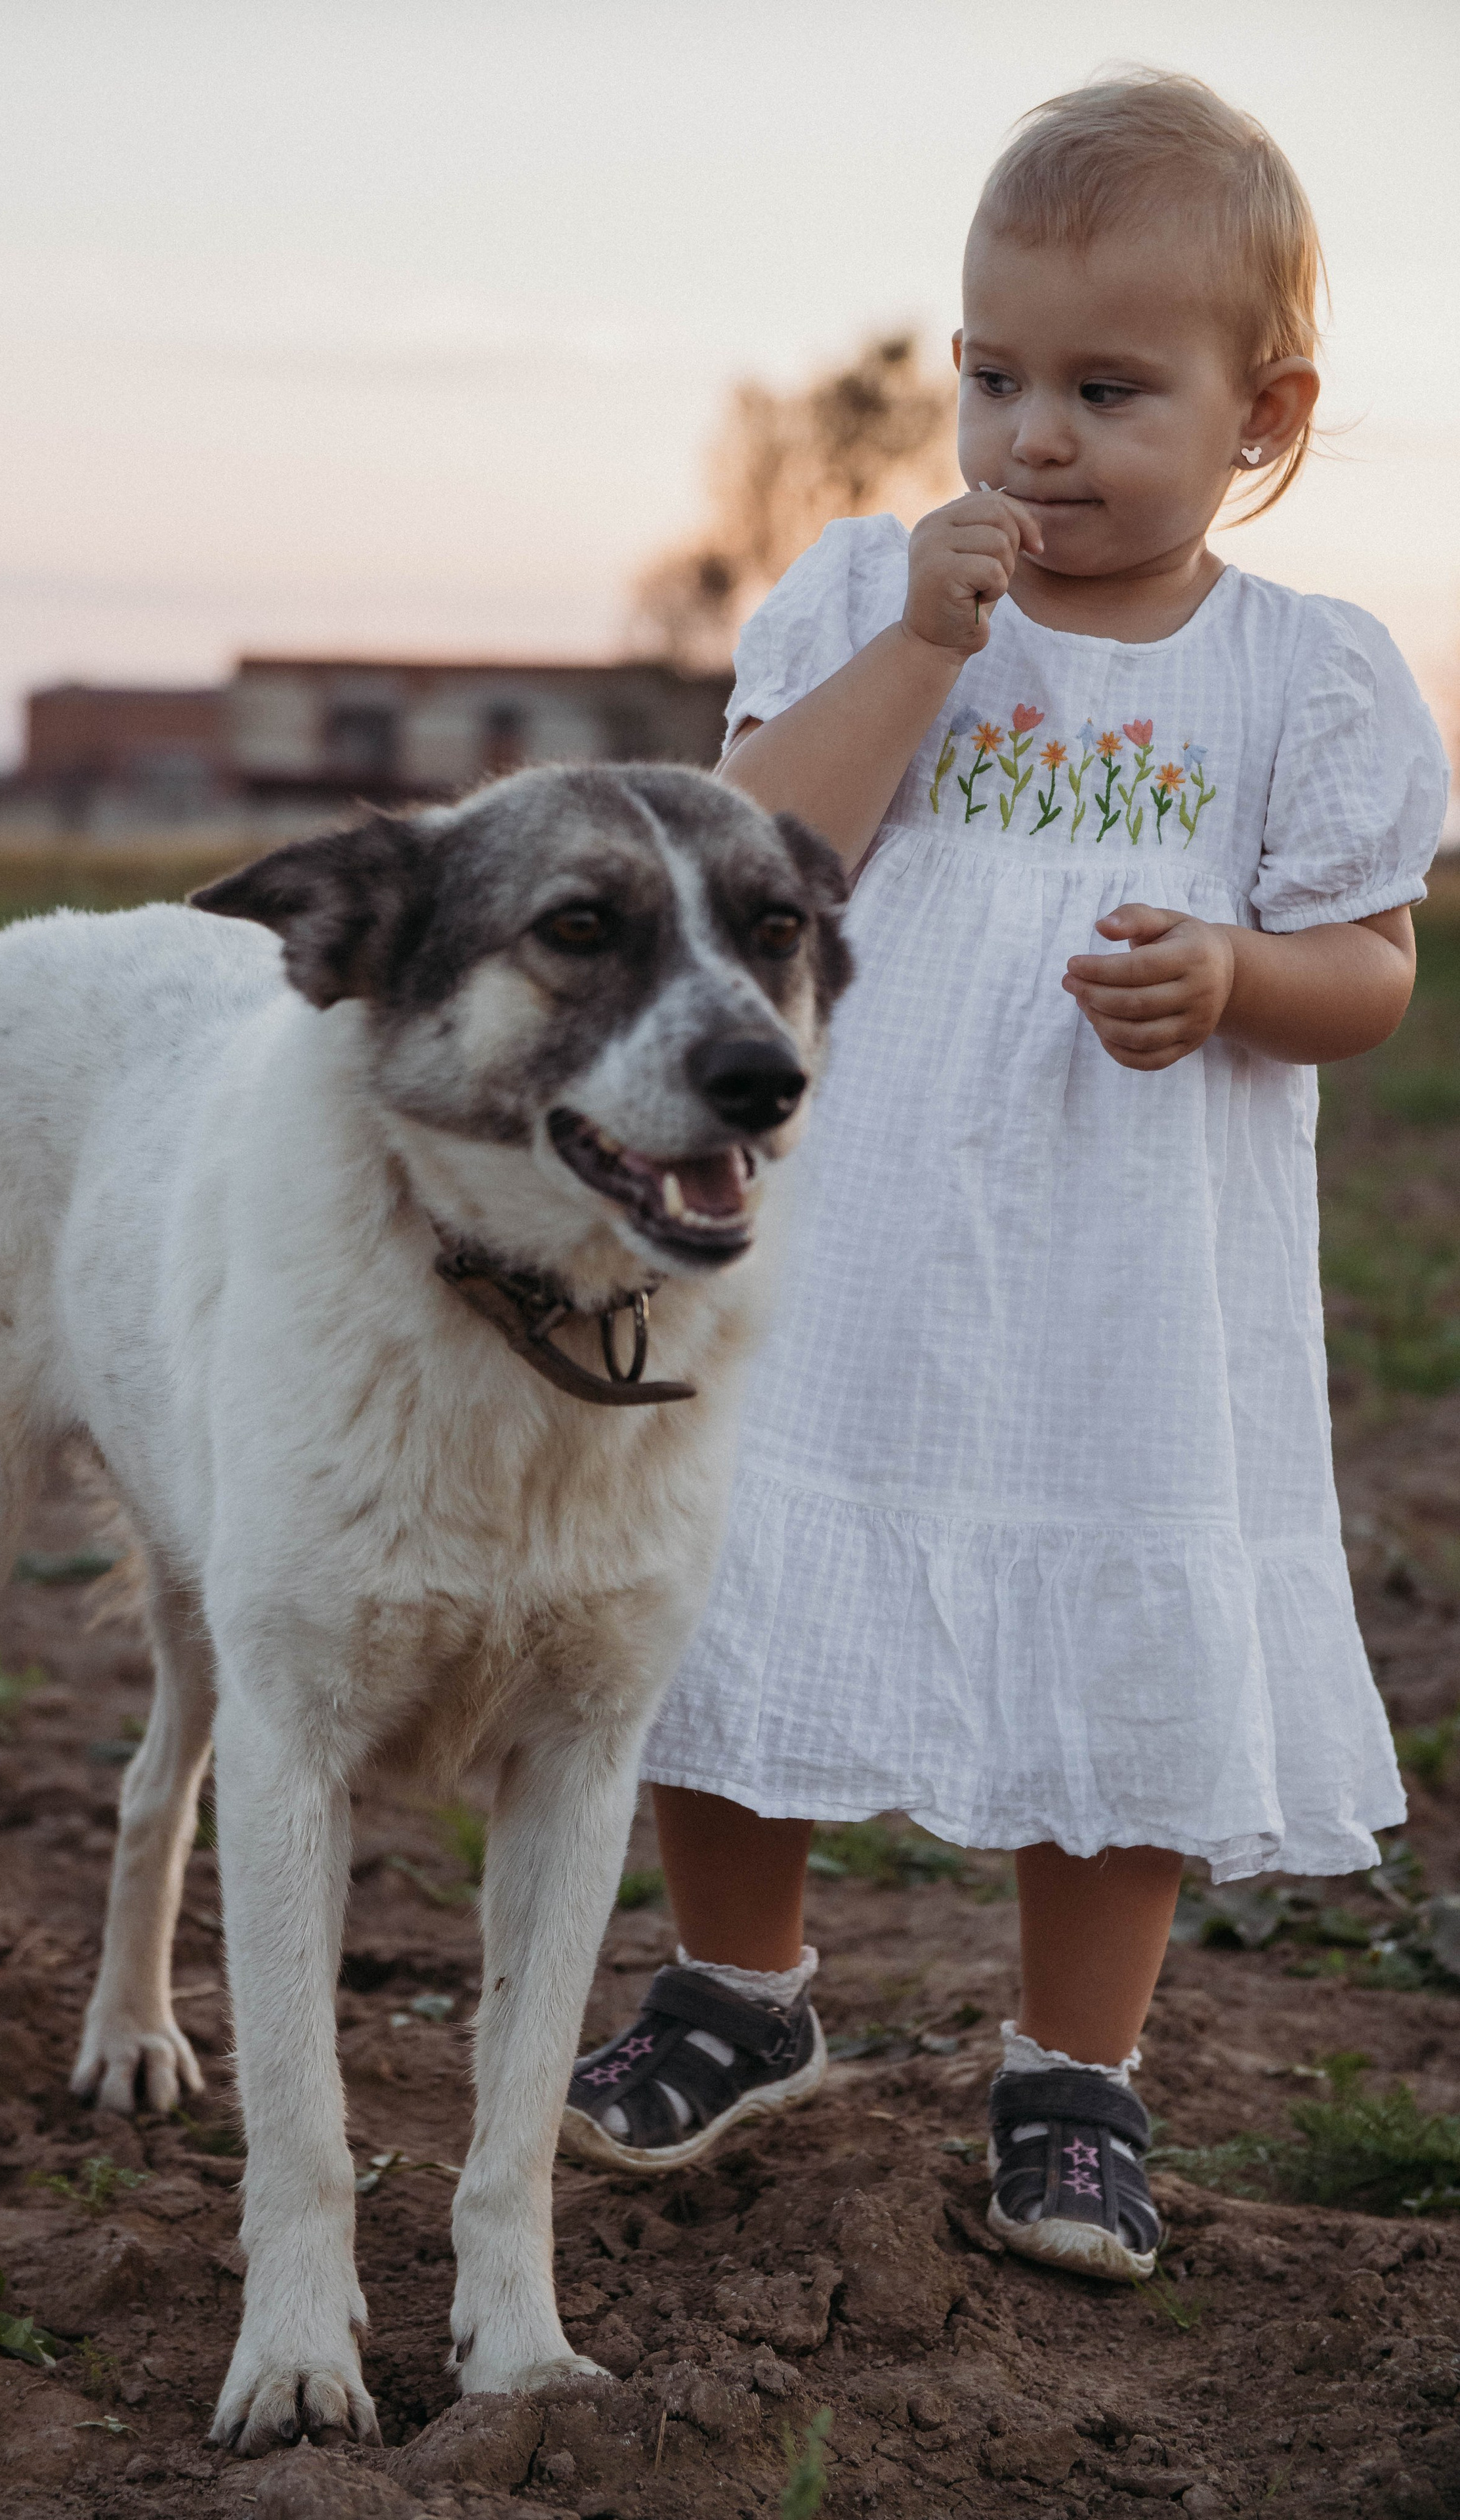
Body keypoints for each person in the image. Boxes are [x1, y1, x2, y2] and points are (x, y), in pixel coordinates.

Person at [561, 70, 1450, 2281]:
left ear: (1266, 414)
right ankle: (737, 1990)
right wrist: (924, 647)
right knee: (745, 1569)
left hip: (1130, 1268)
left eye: (1107, 390)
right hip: (847, 1235)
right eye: (993, 378)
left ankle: (1076, 2076)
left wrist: (1247, 970)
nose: (1032, 437)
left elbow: (1376, 970)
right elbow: (752, 849)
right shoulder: (882, 593)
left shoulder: (1300, 674)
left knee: (1122, 1646)